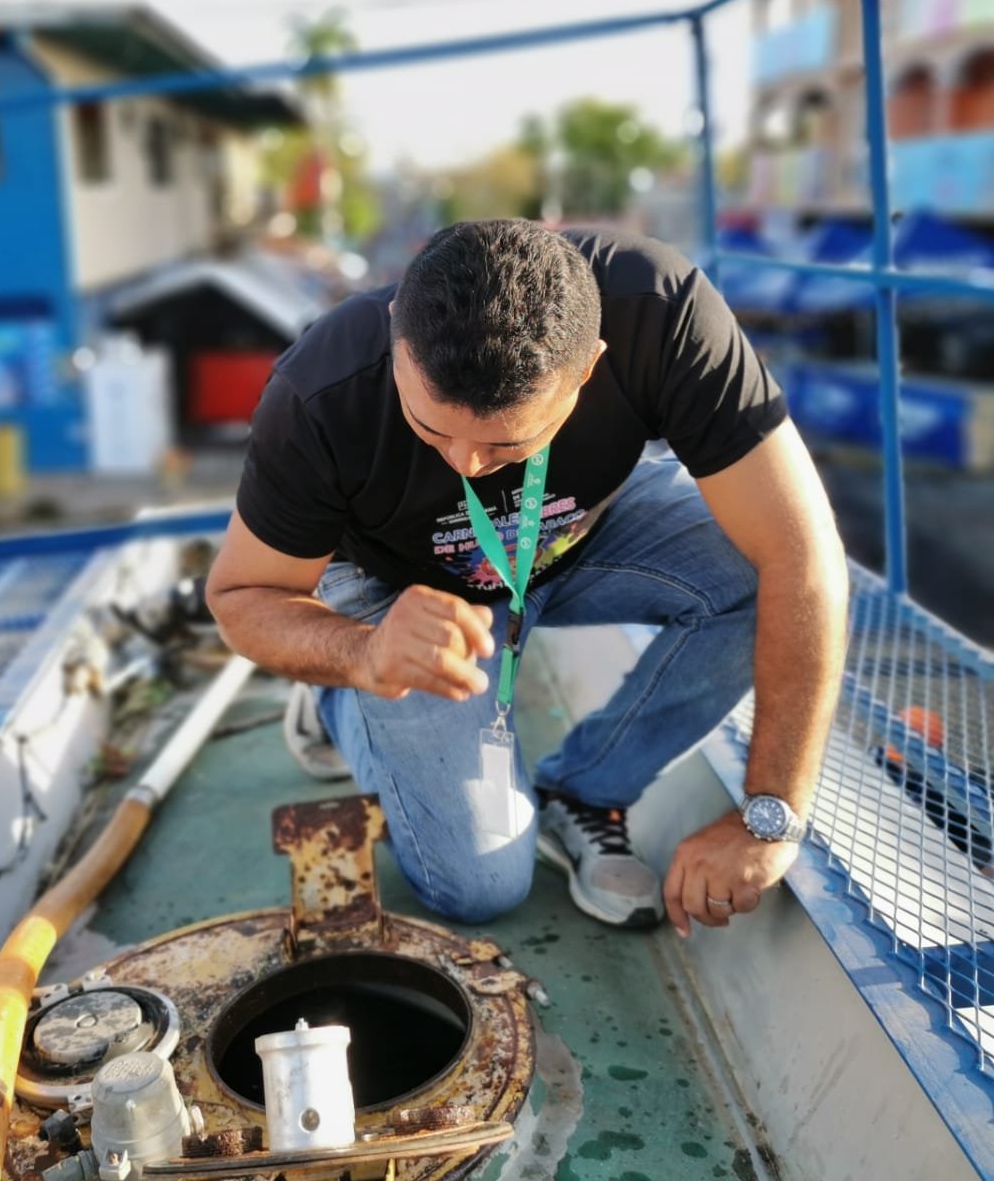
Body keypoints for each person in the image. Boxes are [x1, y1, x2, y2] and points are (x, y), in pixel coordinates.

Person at [206, 219, 848, 936]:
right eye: (431, 428)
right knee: (479, 886)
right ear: (396, 337)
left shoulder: (662, 313)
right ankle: (337, 699)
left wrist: (771, 816)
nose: (465, 466)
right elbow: (241, 596)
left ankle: (587, 790)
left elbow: (803, 558)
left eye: (506, 444)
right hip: (399, 591)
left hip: (574, 530)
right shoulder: (320, 392)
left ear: (590, 367)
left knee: (753, 568)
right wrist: (361, 652)